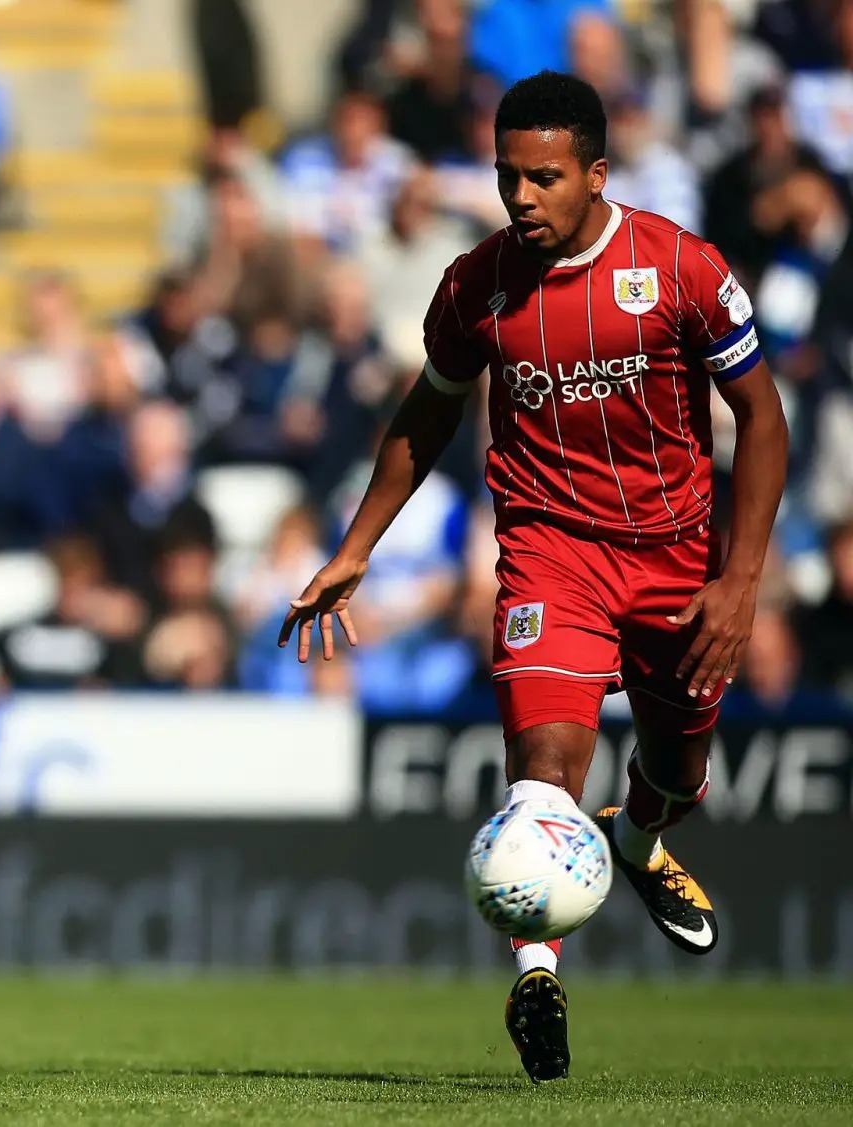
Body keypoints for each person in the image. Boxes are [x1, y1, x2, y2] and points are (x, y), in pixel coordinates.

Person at [277, 72, 788, 1082]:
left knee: (677, 772)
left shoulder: (677, 268)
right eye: (508, 176)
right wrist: (355, 546)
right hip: (549, 556)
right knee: (543, 769)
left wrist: (738, 582)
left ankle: (639, 840)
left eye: (544, 177)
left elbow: (762, 418)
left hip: (677, 562)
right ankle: (537, 975)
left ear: (595, 174)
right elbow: (425, 413)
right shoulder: (475, 286)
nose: (521, 197)